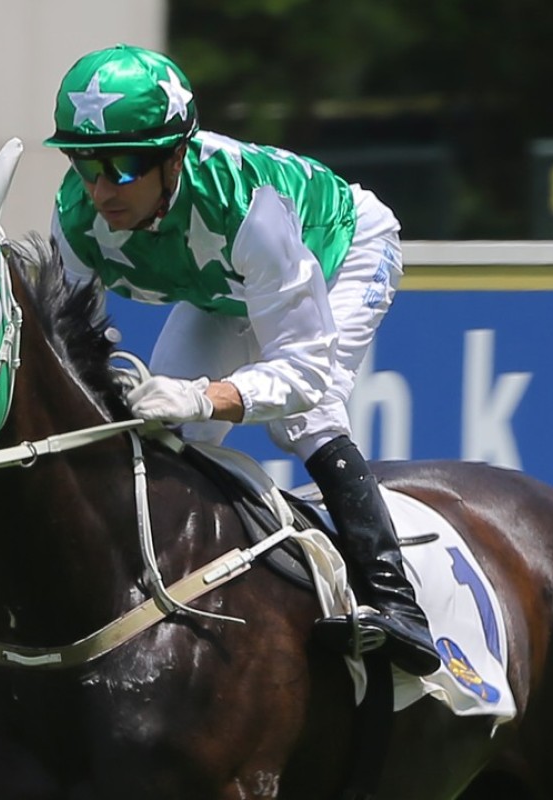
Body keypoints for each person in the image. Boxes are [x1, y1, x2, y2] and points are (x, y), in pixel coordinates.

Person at [43, 43, 441, 677]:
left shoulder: (246, 206)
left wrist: (204, 394)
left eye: (123, 166)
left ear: (175, 157)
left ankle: (397, 604)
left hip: (344, 248)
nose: (99, 188)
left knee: (304, 417)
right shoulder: (76, 217)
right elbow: (66, 349)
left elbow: (304, 373)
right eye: (84, 161)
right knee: (170, 434)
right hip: (224, 285)